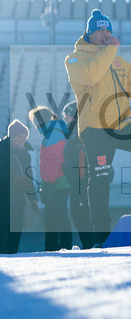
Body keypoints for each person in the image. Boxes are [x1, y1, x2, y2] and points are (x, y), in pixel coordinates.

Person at [65, 9, 131, 244]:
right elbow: (92, 75)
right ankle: (101, 234)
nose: (105, 35)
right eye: (101, 31)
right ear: (90, 33)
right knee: (100, 177)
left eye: (108, 31)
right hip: (95, 128)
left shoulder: (119, 62)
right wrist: (111, 49)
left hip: (122, 124)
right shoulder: (75, 59)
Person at [28, 106, 72, 251]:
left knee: (54, 217)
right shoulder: (55, 130)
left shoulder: (52, 133)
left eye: (35, 121)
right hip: (58, 181)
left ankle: (54, 248)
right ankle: (60, 247)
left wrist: (48, 183)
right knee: (57, 216)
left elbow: (54, 160)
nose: (35, 125)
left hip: (57, 182)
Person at [62, 101, 97, 249]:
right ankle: (89, 244)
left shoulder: (81, 135)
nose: (65, 119)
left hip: (82, 184)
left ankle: (91, 245)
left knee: (82, 217)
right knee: (78, 217)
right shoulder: (73, 135)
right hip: (77, 184)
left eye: (67, 116)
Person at [1, 120, 39, 254]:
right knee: (3, 227)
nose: (22, 140)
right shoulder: (2, 151)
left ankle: (12, 256)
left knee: (16, 229)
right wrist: (14, 179)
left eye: (24, 137)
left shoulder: (25, 155)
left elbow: (29, 179)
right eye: (19, 137)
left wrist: (33, 198)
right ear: (12, 136)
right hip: (4, 197)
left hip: (19, 198)